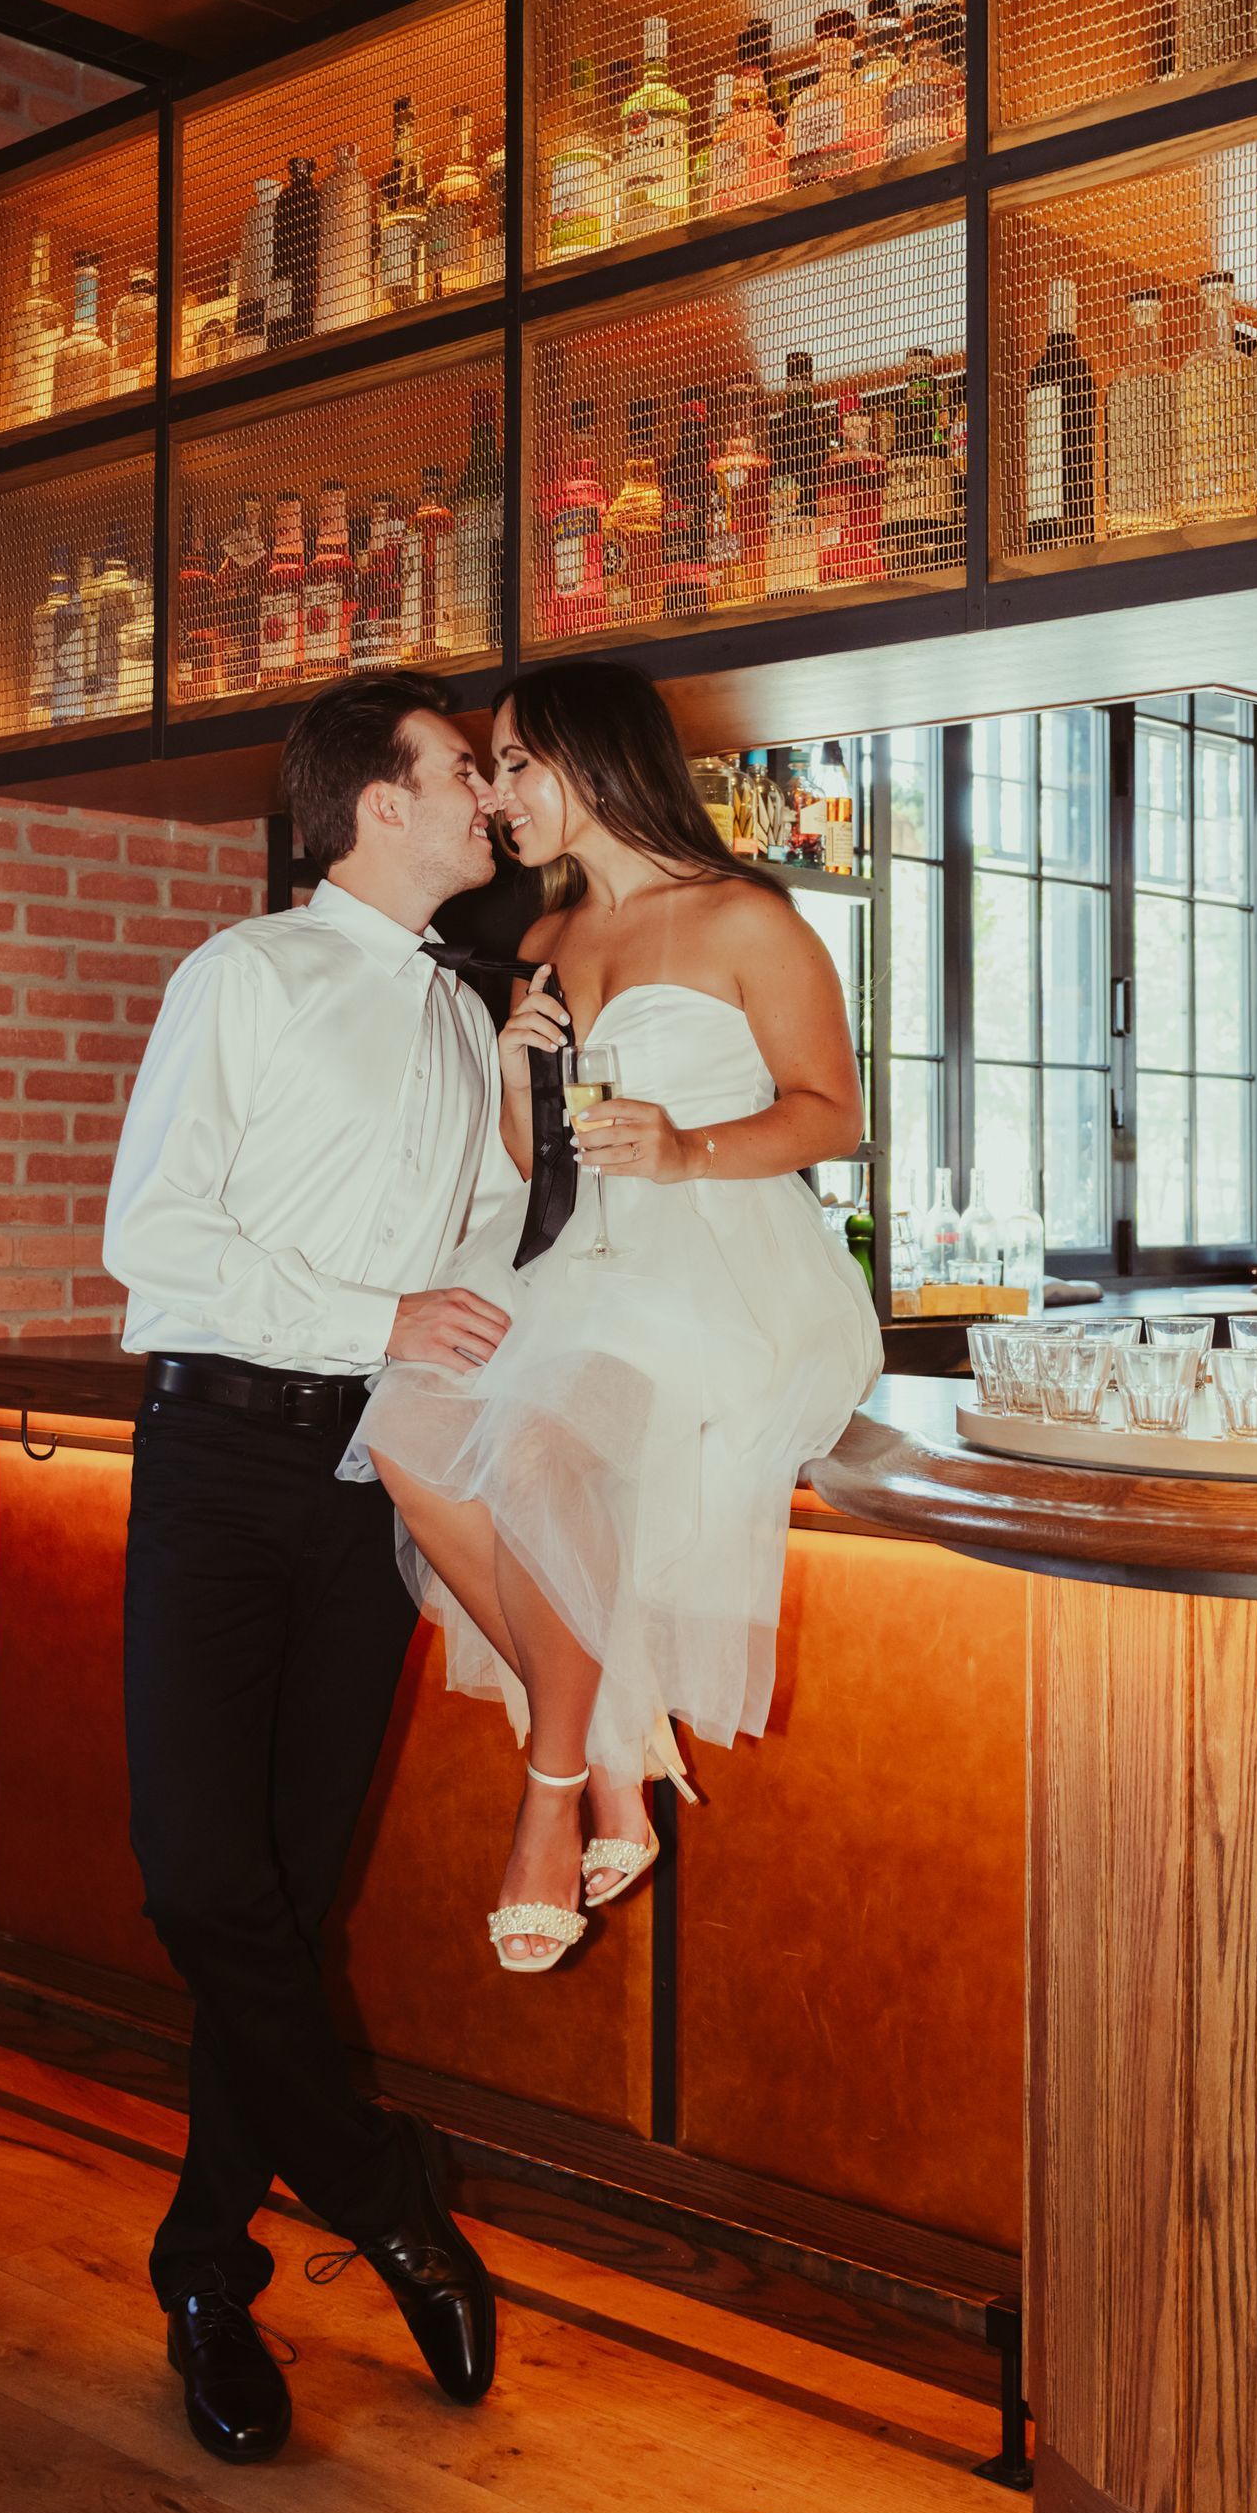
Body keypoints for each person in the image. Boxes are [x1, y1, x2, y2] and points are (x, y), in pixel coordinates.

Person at [103, 670, 510, 2465]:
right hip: (217, 1461)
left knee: (279, 1895)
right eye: (461, 772)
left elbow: (478, 1261)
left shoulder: (467, 1015)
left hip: (371, 1485)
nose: (489, 797)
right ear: (378, 803)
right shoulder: (243, 975)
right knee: (202, 1883)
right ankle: (380, 2189)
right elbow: (154, 1238)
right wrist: (379, 1315)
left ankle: (207, 2277)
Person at [349, 657, 883, 1970]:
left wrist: (687, 1148)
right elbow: (540, 1166)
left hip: (710, 1258)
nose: (496, 795)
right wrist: (515, 1081)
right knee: (408, 1441)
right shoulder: (544, 942)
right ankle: (608, 1729)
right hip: (568, 1255)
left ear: (591, 762)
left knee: (535, 1453)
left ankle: (556, 1798)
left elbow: (834, 1116)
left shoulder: (746, 919)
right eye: (490, 769)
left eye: (514, 764)